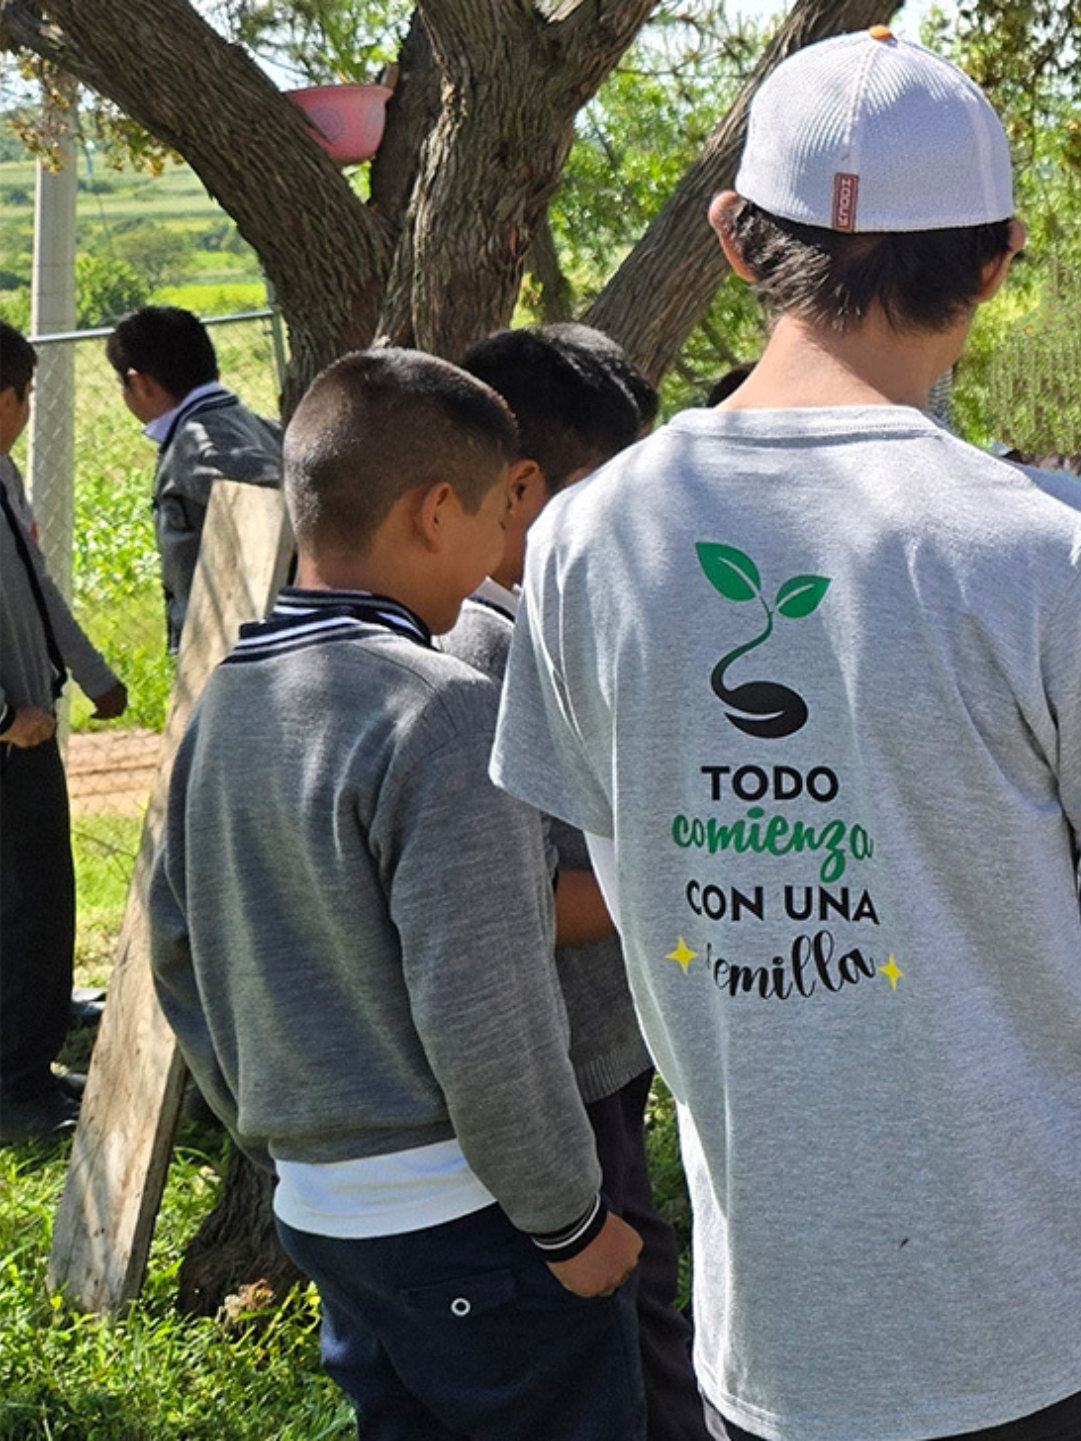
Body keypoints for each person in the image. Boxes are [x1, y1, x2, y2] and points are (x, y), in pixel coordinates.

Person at [490, 31, 1081, 1441]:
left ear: (729, 237)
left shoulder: (588, 538)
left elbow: (647, 885)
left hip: (783, 1329)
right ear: (1000, 257)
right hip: (1055, 1304)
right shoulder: (1062, 548)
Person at [148, 348, 645, 1438]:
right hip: (475, 1218)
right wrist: (571, 1222)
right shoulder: (444, 712)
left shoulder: (223, 705)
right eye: (486, 521)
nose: (490, 560)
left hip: (325, 1213)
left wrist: (285, 1141)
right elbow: (489, 1016)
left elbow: (177, 953)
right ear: (433, 511)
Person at [449, 323, 705, 1440]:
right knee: (626, 1317)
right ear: (521, 486)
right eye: (614, 493)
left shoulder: (554, 616)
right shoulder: (484, 651)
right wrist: (679, 872)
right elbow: (501, 905)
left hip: (605, 1041)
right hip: (558, 1067)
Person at [0, 321, 126, 1141]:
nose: (26, 411)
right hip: (10, 738)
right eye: (26, 396)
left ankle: (32, 1066)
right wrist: (5, 717)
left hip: (29, 737)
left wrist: (94, 674)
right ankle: (13, 1091)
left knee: (46, 901)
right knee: (17, 910)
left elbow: (38, 591)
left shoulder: (3, 475)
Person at [104, 306, 284, 651]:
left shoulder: (198, 445)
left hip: (232, 647)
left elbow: (283, 490)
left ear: (138, 382)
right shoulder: (249, 423)